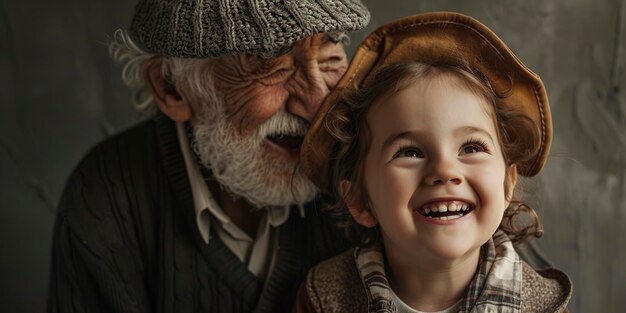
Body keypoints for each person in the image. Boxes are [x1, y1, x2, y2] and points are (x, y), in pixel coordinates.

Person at [47, 1, 370, 312]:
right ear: (170, 87)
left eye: (330, 55)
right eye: (270, 62)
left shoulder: (367, 176)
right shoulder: (107, 195)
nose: (318, 104)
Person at [295, 12, 572, 313]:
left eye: (471, 147)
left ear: (507, 183)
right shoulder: (323, 299)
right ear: (360, 199)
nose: (444, 171)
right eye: (410, 152)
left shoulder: (545, 307)